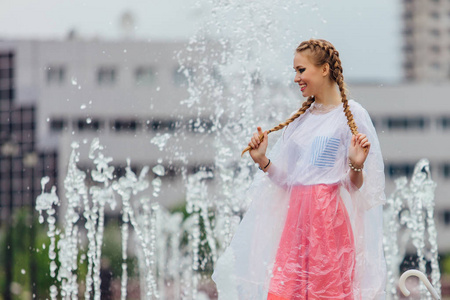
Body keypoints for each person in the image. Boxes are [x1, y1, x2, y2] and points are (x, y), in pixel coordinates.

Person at [212, 38, 386, 299]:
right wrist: (263, 161)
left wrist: (356, 165)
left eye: (301, 70)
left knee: (326, 293)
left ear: (324, 69)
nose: (296, 78)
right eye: (295, 71)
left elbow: (354, 188)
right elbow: (289, 181)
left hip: (328, 220)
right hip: (296, 222)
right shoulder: (301, 121)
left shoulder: (351, 115)